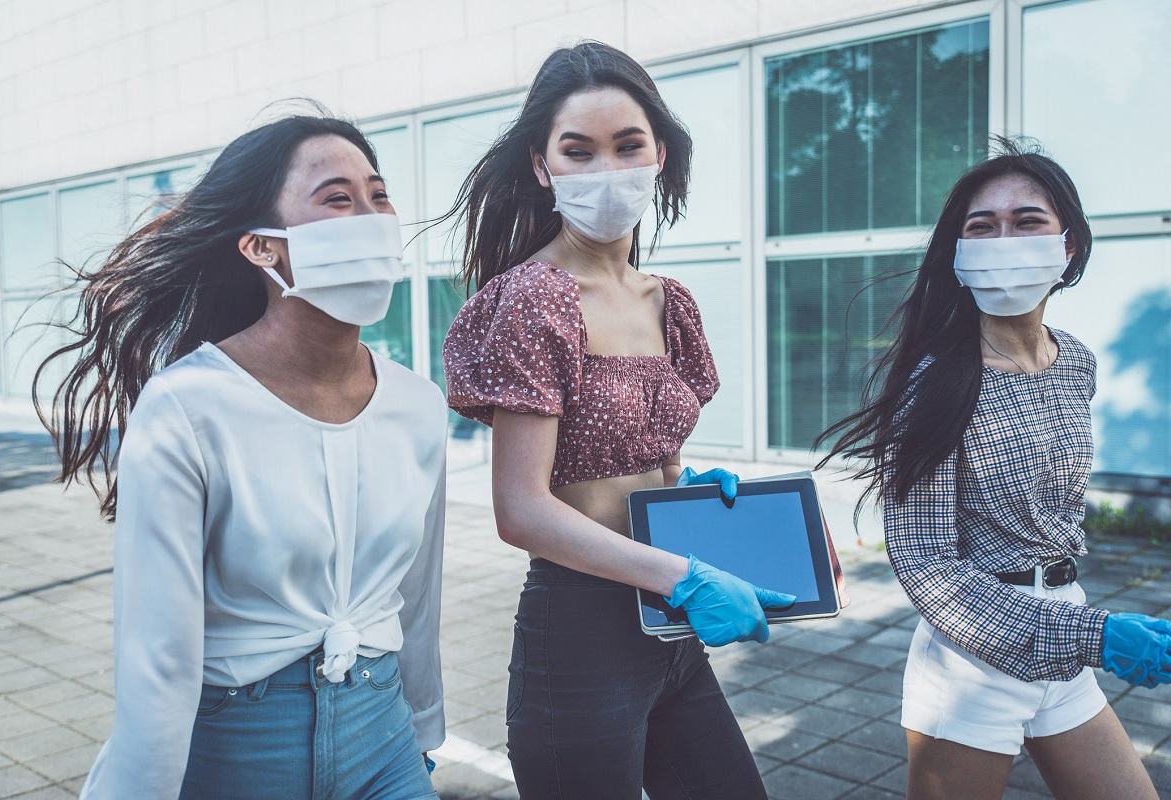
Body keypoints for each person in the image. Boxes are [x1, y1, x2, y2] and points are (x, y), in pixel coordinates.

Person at [36, 114, 446, 799]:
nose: (372, 219)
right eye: (338, 199)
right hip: (238, 748)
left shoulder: (419, 403)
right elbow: (158, 660)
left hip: (385, 740)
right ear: (262, 248)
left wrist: (425, 734)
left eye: (379, 196)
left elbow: (418, 598)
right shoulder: (186, 409)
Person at [441, 42, 792, 798]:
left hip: (668, 621)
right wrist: (684, 574)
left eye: (627, 146)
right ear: (542, 167)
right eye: (579, 151)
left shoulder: (668, 301)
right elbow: (521, 510)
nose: (607, 170)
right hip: (579, 632)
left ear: (658, 153)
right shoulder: (536, 298)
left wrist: (696, 500)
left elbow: (653, 467)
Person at [817, 138, 1171, 800]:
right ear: (959, 256)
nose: (1004, 239)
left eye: (1028, 220)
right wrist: (1096, 635)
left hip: (1066, 629)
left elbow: (1056, 513)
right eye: (981, 227)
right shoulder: (934, 385)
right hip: (970, 663)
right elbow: (926, 567)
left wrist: (1081, 621)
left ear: (1069, 247)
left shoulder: (1076, 362)